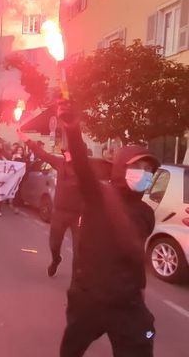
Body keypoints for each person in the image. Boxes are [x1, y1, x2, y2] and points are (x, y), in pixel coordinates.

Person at [58, 102, 158, 357]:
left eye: (148, 170)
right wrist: (72, 129)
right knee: (71, 351)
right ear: (122, 167)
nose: (143, 174)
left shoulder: (146, 213)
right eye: (137, 167)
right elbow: (81, 166)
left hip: (127, 304)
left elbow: (136, 258)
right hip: (89, 300)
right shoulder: (98, 196)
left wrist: (141, 292)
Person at [18, 129, 83, 277]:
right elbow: (43, 155)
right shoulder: (59, 163)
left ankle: (77, 279)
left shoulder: (82, 170)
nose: (64, 153)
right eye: (64, 151)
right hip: (60, 212)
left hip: (77, 214)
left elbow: (89, 192)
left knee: (79, 249)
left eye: (68, 151)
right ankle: (56, 259)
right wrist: (27, 140)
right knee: (54, 244)